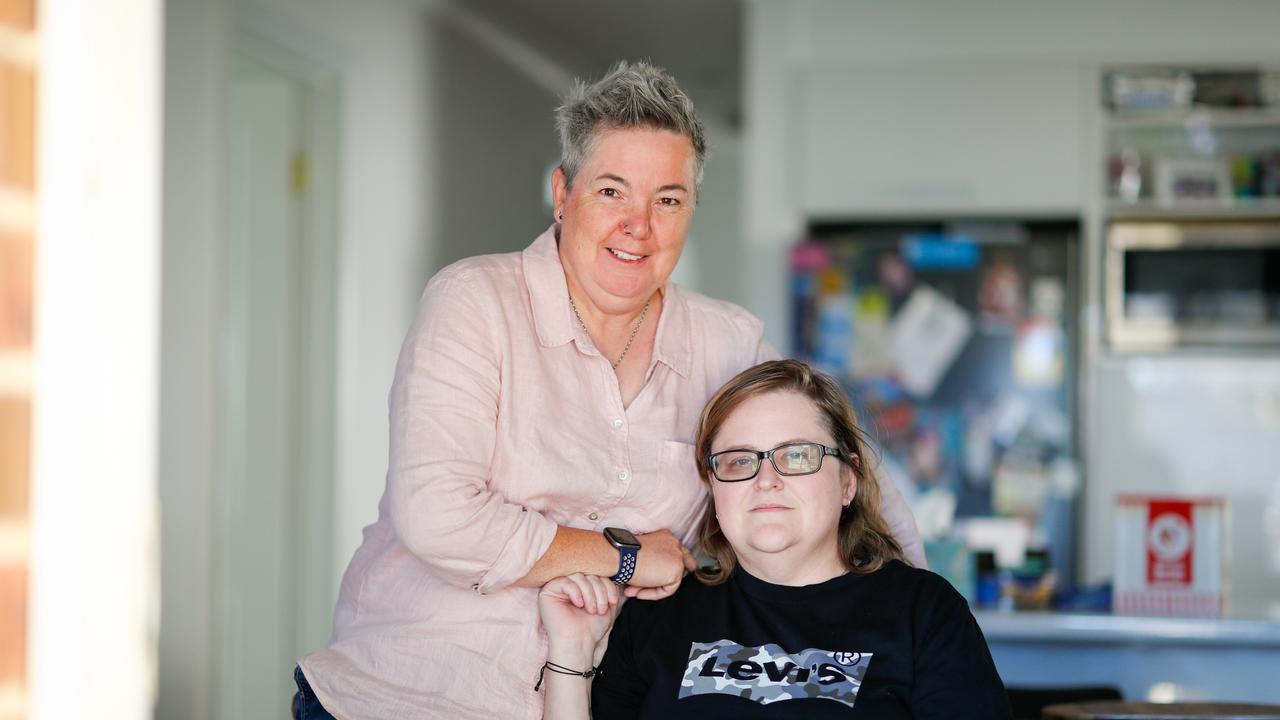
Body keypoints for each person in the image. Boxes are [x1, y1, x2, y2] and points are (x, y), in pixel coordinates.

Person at [295, 62, 925, 719]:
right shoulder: (475, 301)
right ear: (563, 193)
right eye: (612, 191)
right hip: (406, 697)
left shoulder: (725, 341)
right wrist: (627, 561)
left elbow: (848, 472)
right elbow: (438, 513)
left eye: (668, 199)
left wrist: (924, 630)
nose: (639, 225)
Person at [539, 359, 1010, 719]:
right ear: (713, 486)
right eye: (740, 460)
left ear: (848, 480)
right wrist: (571, 651)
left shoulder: (923, 612)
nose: (766, 480)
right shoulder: (656, 615)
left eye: (797, 455)